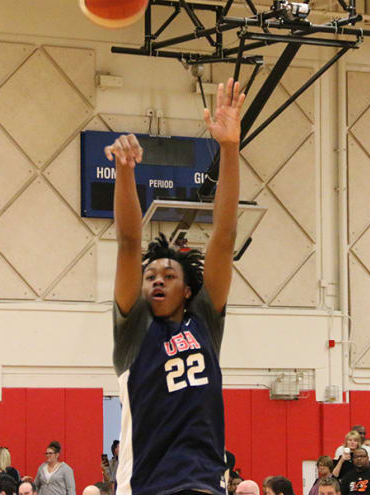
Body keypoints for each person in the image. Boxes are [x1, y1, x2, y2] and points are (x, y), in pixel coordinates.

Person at [106, 77, 245, 495]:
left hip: (203, 484)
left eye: (168, 275)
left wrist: (229, 148)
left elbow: (223, 236)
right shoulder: (134, 327)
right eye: (151, 277)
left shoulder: (204, 319)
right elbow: (130, 242)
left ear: (188, 291)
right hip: (148, 485)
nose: (157, 281)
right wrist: (125, 173)